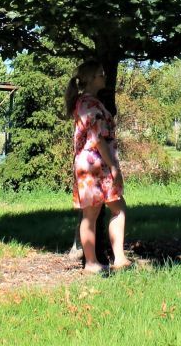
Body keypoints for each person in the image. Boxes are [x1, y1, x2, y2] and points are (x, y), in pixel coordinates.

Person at [65, 59, 131, 274]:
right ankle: (109, 260)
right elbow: (99, 139)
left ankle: (96, 262)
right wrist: (114, 167)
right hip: (97, 165)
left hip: (87, 167)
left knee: (93, 215)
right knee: (116, 210)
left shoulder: (84, 103)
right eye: (101, 74)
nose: (105, 76)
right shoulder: (91, 105)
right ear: (92, 79)